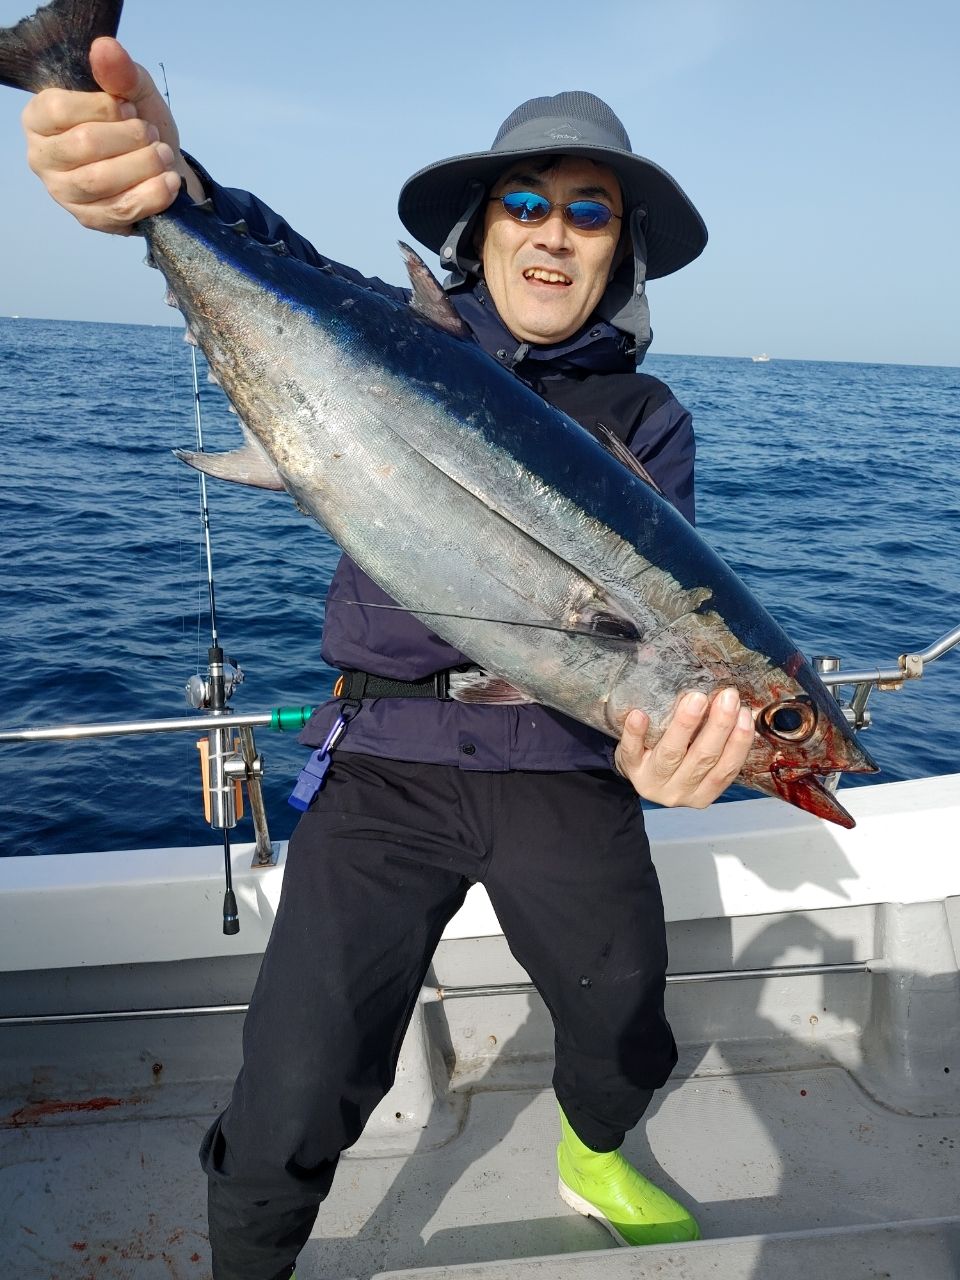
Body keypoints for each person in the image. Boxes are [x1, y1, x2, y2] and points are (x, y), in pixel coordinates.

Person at [22, 35, 756, 1280]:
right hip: (384, 759)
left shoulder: (647, 419)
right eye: (528, 200)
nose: (556, 230)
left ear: (617, 251)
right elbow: (264, 256)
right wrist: (162, 174)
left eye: (591, 211)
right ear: (480, 232)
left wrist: (671, 762)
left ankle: (595, 1144)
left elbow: (660, 645)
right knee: (293, 1090)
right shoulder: (394, 330)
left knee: (624, 1014)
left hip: (560, 763)